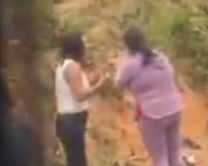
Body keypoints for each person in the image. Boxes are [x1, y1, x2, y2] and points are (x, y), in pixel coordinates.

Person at [116, 27, 184, 166]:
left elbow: (118, 83)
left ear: (127, 45)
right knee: (175, 155)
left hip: (152, 114)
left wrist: (120, 62)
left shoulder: (131, 63)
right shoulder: (160, 57)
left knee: (160, 159)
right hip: (175, 108)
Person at [55, 32, 106, 166]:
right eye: (84, 43)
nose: (86, 47)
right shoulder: (72, 67)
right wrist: (98, 86)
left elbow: (76, 84)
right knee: (78, 161)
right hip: (71, 121)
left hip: (69, 121)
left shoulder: (68, 65)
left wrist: (94, 78)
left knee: (75, 160)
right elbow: (79, 95)